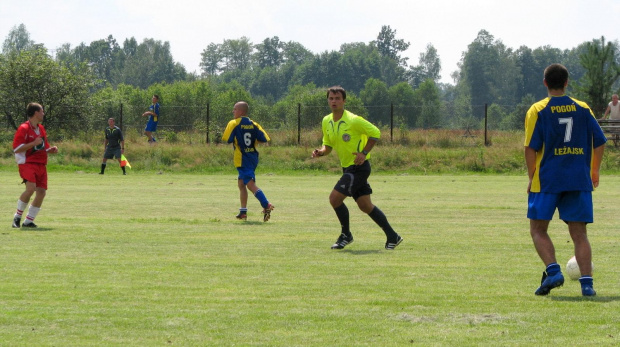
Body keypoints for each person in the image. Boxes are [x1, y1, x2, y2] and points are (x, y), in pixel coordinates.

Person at [524, 64, 606, 296]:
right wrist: (595, 171)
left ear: (545, 83)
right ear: (567, 82)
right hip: (578, 179)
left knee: (538, 229)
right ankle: (587, 285)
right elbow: (599, 141)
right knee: (579, 233)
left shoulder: (538, 110)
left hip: (548, 179)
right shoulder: (582, 108)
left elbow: (530, 148)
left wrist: (532, 177)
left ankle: (553, 271)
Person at [312, 86, 403, 250]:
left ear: (344, 101)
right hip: (347, 168)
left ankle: (346, 235)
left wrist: (364, 152)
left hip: (358, 168)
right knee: (365, 205)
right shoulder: (327, 121)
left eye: (337, 98)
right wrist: (321, 152)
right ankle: (393, 236)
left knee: (334, 199)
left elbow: (375, 133)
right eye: (331, 98)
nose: (334, 101)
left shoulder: (353, 120)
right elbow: (328, 145)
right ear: (328, 100)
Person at [222, 101, 274, 222]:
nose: (233, 111)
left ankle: (266, 204)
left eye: (235, 109)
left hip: (242, 159)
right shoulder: (254, 124)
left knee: (250, 185)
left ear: (241, 112)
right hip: (253, 157)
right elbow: (265, 139)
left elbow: (226, 139)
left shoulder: (233, 123)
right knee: (241, 184)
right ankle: (243, 212)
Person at [11, 103, 58, 228]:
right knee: (30, 189)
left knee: (41, 192)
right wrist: (33, 143)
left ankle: (28, 221)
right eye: (42, 111)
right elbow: (16, 148)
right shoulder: (24, 128)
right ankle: (17, 218)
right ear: (36, 113)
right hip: (27, 163)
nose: (43, 113)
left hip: (41, 164)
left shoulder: (41, 128)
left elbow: (43, 146)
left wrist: (50, 149)